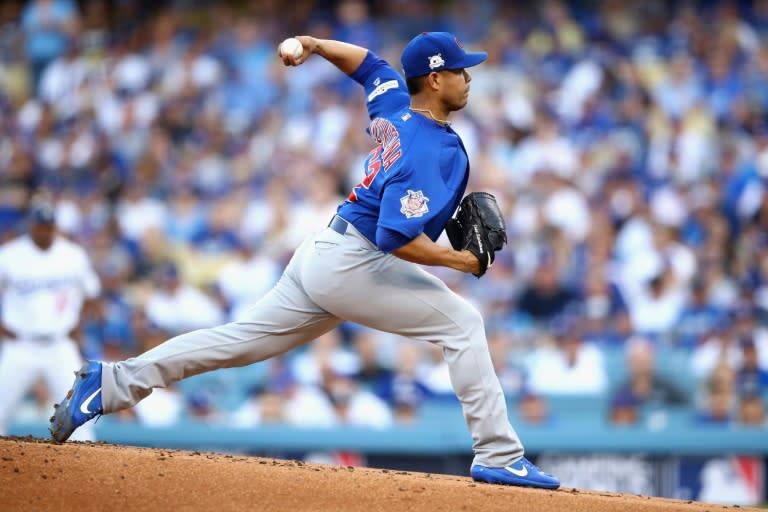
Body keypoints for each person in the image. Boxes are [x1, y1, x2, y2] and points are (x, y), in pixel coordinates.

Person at [49, 32, 560, 489]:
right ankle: (500, 455)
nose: (468, 78)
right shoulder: (432, 148)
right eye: (459, 70)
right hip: (355, 261)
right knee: (464, 323)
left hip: (324, 251)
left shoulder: (394, 104)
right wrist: (462, 262)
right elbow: (393, 238)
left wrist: (313, 43)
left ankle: (110, 382)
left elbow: (370, 66)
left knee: (237, 342)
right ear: (434, 78)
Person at [0, 195, 100, 440]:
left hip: (59, 345)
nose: (44, 230)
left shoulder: (73, 255)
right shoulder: (9, 255)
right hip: (19, 344)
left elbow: (92, 293)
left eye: (48, 225)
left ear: (55, 226)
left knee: (80, 415)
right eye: (39, 225)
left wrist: (78, 324)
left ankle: (88, 474)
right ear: (30, 225)